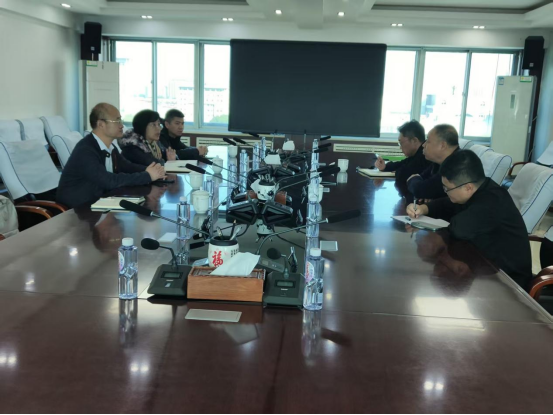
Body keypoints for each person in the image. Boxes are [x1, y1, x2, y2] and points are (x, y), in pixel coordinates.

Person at [406, 150, 532, 290]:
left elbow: (458, 229)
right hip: (485, 266)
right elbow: (448, 204)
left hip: (509, 283)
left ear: (468, 187)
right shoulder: (480, 189)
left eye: (447, 188)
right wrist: (423, 208)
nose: (445, 192)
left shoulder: (491, 202)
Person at [57, 104, 166, 209]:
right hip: (77, 209)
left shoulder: (110, 147)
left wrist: (152, 171)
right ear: (101, 124)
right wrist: (147, 176)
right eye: (117, 121)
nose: (121, 125)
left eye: (121, 120)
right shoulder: (86, 150)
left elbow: (127, 167)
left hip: (99, 202)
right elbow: (108, 180)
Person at [375, 120, 430, 194]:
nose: (400, 147)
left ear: (414, 140)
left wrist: (398, 171)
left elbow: (404, 173)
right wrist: (385, 167)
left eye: (401, 143)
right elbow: (402, 164)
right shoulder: (416, 154)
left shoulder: (425, 155)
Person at [407, 124, 460, 202]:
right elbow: (422, 179)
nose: (423, 145)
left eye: (428, 141)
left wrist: (414, 181)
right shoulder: (439, 161)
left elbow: (419, 189)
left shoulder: (456, 165)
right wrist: (428, 193)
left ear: (442, 145)